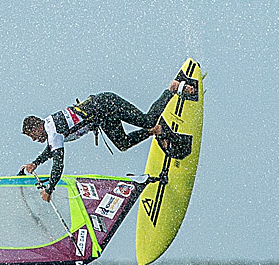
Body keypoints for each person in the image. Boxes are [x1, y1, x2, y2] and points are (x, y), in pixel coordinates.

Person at [20, 80, 196, 202]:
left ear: (36, 127)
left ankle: (171, 90)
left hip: (106, 104)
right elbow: (52, 148)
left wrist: (49, 189)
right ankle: (156, 131)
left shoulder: (54, 131)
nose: (35, 140)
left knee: (147, 119)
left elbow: (58, 164)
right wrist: (35, 163)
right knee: (123, 143)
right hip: (103, 114)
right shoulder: (50, 125)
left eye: (33, 136)